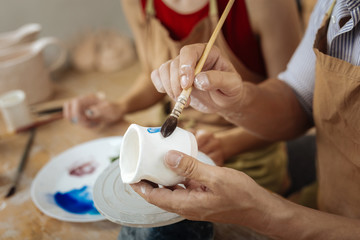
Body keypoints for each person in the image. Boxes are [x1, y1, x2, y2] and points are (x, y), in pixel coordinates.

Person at [130, 0, 360, 238]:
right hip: (327, 200)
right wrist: (236, 102)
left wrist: (265, 213)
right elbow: (299, 98)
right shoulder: (336, 4)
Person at [64, 0, 301, 193]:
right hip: (174, 140)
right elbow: (152, 75)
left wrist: (223, 145)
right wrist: (120, 106)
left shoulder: (266, 4)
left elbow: (293, 109)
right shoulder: (138, 3)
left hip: (249, 151)